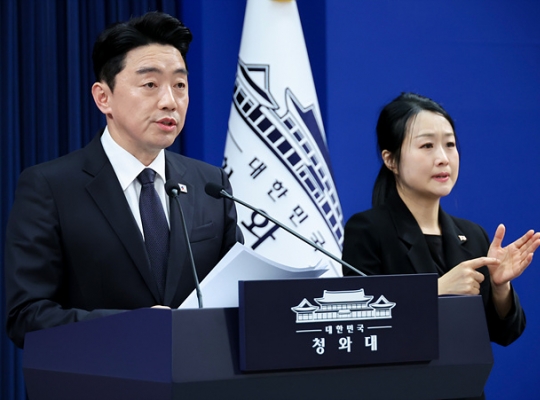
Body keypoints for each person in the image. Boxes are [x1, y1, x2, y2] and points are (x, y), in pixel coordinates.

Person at [4, 12, 243, 349]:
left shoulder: (211, 185)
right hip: (98, 374)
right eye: (150, 85)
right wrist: (132, 326)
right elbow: (26, 317)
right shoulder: (50, 187)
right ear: (104, 97)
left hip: (197, 374)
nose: (169, 101)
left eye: (180, 85)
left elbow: (235, 294)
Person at [342, 92, 540, 347]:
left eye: (450, 144)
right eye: (427, 146)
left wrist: (500, 287)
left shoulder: (473, 234)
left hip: (466, 374)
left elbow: (504, 334)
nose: (443, 158)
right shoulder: (368, 230)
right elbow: (360, 324)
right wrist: (436, 290)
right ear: (390, 160)